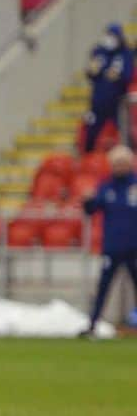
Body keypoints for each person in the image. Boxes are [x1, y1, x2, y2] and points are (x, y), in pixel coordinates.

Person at [81, 144, 137, 336]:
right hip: (112, 248)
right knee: (103, 290)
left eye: (123, 163)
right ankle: (92, 325)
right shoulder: (106, 187)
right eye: (116, 163)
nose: (120, 167)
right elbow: (91, 209)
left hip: (134, 248)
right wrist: (87, 200)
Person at [82, 23, 133, 154]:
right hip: (98, 101)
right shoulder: (98, 51)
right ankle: (87, 157)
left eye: (113, 35)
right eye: (108, 35)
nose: (110, 38)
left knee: (124, 132)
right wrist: (92, 72)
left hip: (117, 102)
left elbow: (127, 76)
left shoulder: (125, 53)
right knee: (91, 131)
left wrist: (116, 76)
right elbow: (92, 74)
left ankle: (129, 158)